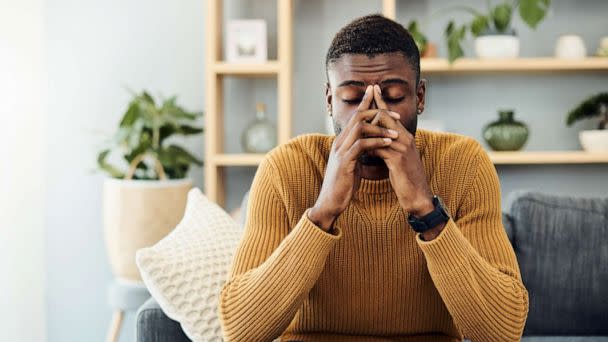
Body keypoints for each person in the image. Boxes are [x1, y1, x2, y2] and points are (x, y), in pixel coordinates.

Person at [218, 14, 528, 342]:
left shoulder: (464, 164)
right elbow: (240, 333)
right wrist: (322, 213)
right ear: (329, 101)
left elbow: (503, 332)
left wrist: (427, 211)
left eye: (393, 96)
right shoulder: (285, 168)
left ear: (419, 97)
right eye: (352, 99)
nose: (374, 116)